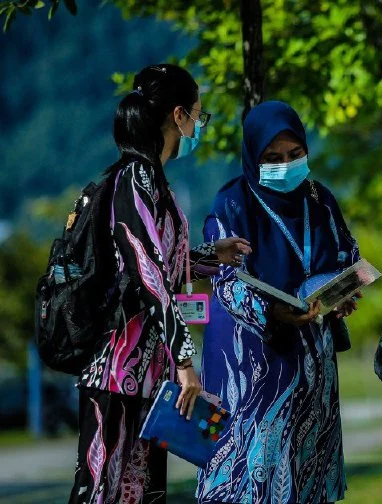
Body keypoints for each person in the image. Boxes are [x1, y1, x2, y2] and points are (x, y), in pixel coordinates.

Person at [70, 63, 250, 504]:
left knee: (142, 494)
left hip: (149, 379)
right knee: (101, 489)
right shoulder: (134, 179)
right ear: (178, 116)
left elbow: (163, 263)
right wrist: (186, 361)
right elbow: (148, 275)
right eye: (199, 116)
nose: (198, 127)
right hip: (116, 374)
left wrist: (212, 256)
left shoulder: (154, 182)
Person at [197, 101, 360, 503]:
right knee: (254, 487)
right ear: (254, 157)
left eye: (294, 154)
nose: (285, 165)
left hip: (314, 372)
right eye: (272, 158)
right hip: (258, 372)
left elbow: (347, 257)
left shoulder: (320, 201)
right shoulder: (232, 205)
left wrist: (343, 295)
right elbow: (227, 282)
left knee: (307, 484)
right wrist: (272, 311)